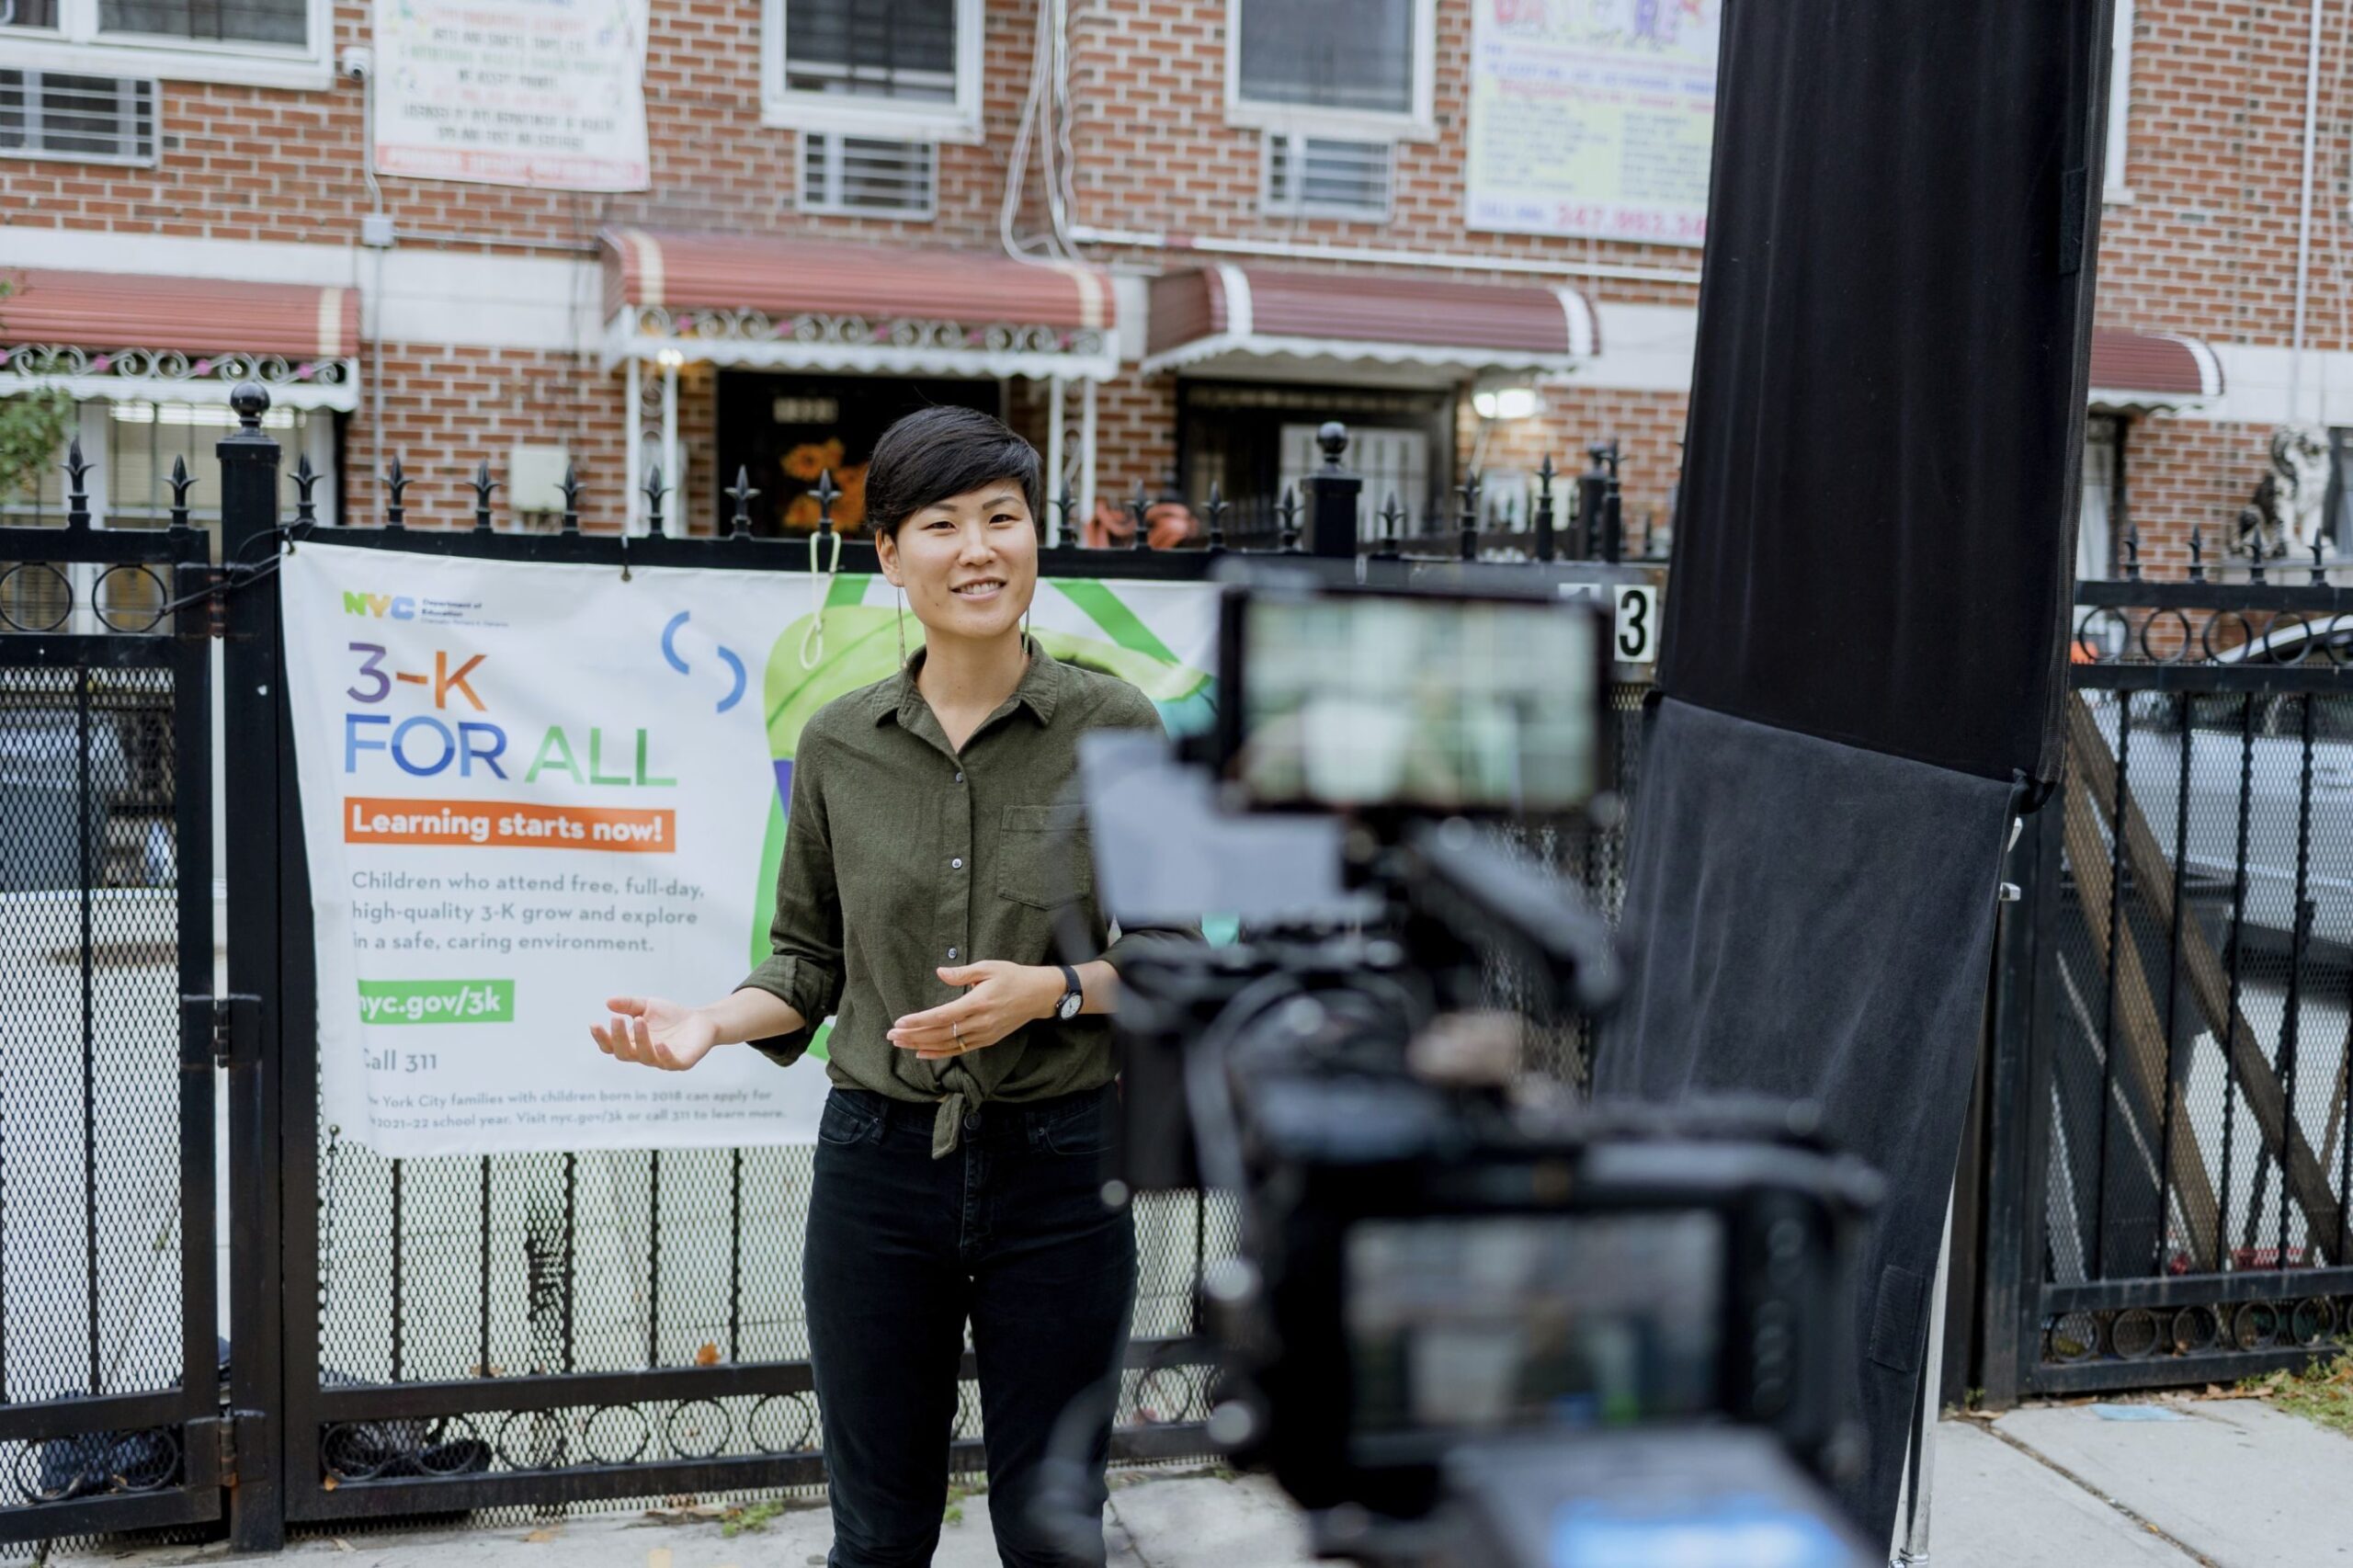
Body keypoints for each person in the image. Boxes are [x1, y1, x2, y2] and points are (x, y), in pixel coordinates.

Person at [588, 405, 1194, 1567]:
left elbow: (1168, 950)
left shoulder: (1115, 723)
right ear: (888, 557)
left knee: (1053, 1528)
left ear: (1033, 539)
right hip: (875, 1170)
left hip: (1062, 1169)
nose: (978, 548)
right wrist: (711, 1020)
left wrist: (1051, 989)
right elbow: (808, 962)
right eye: (942, 523)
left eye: (1002, 519)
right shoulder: (837, 742)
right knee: (876, 1533)